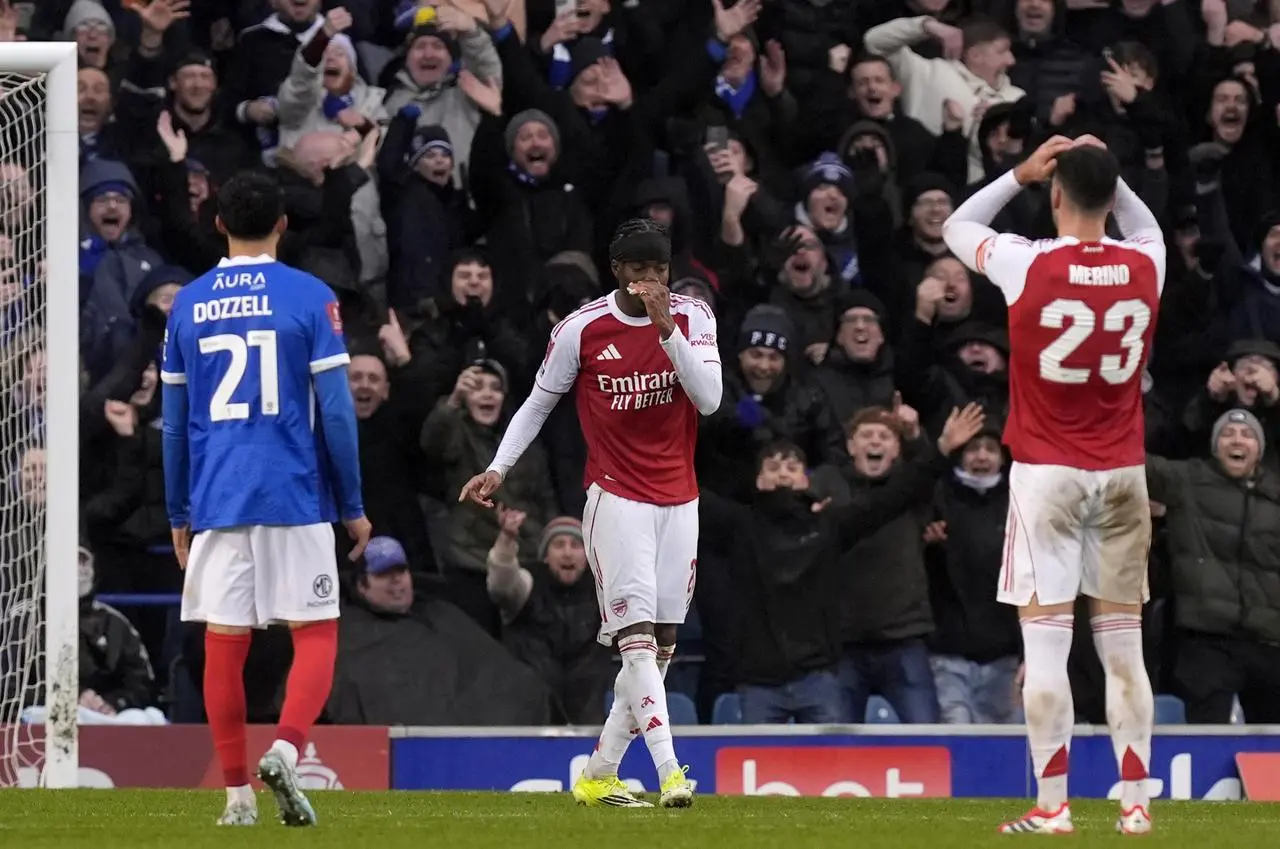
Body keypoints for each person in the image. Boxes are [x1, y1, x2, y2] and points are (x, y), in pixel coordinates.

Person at [941, 135, 1166, 836]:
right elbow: (1148, 224)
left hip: (1047, 474)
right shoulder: (1145, 263)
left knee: (1044, 646)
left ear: (1057, 195)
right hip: (1123, 472)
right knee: (1123, 646)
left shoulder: (1026, 262)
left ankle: (1054, 804)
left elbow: (957, 226)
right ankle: (1134, 805)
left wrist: (1020, 172)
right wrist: (1104, 166)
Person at [459, 218, 722, 808]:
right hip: (615, 496)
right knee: (635, 638)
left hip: (680, 496)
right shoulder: (580, 330)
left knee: (664, 644)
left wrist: (665, 332)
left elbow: (709, 398)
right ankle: (671, 772)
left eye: (660, 269)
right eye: (639, 269)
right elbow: (537, 404)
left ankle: (600, 774)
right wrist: (499, 468)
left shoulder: (694, 317)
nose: (650, 280)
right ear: (617, 271)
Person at [161, 172, 372, 827]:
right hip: (293, 492)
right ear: (284, 223)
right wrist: (352, 503)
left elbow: (172, 423)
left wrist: (177, 513)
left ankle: (235, 797)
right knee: (316, 632)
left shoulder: (187, 305)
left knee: (225, 645)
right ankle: (284, 747)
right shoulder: (311, 297)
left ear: (218, 224)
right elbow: (336, 412)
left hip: (218, 497)